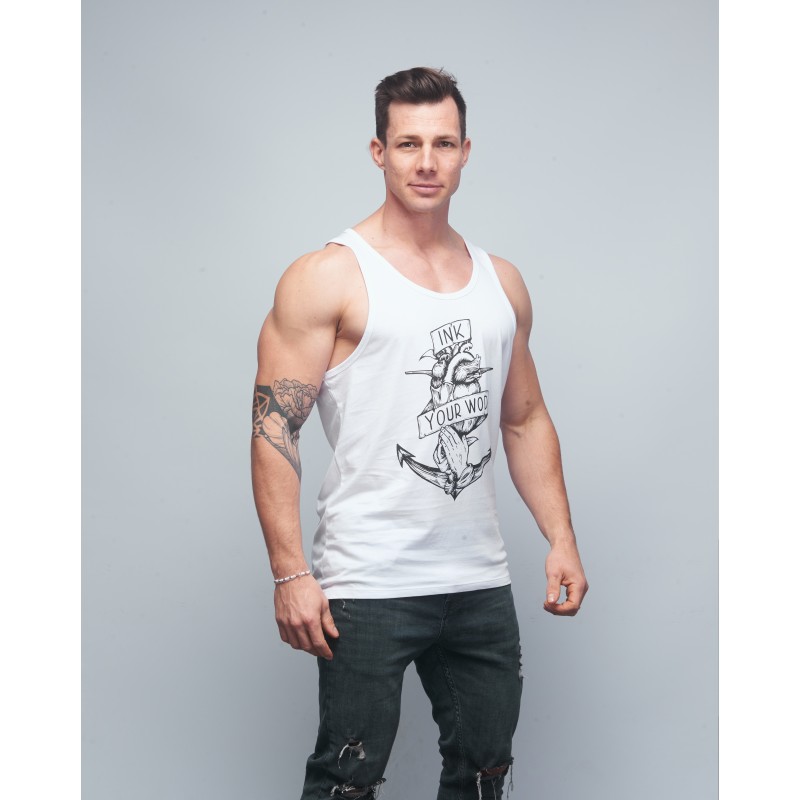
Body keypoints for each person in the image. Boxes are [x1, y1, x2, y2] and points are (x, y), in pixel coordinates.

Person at [251, 66, 588, 800]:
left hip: (478, 579)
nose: (427, 162)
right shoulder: (329, 277)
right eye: (408, 144)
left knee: (485, 771)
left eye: (443, 143)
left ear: (466, 151)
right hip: (368, 580)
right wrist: (290, 572)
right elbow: (275, 426)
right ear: (379, 151)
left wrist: (561, 538)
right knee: (347, 778)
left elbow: (524, 417)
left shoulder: (501, 283)